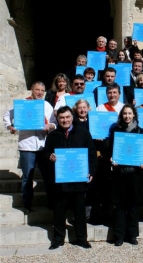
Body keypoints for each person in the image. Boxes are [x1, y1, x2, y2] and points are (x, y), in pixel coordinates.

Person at [43, 106, 97, 250]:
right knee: (59, 211)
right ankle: (58, 239)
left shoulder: (83, 133)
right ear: (58, 119)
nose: (65, 120)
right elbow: (45, 152)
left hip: (78, 179)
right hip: (61, 181)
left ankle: (82, 239)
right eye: (61, 118)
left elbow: (92, 153)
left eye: (67, 117)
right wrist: (49, 156)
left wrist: (91, 172)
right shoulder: (52, 135)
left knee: (79, 211)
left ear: (72, 117)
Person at [3, 81, 56, 212]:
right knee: (27, 177)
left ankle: (51, 203)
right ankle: (27, 205)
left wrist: (49, 126)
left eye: (42, 91)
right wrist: (10, 127)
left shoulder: (47, 105)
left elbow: (54, 122)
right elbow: (7, 115)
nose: (39, 93)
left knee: (48, 176)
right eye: (37, 90)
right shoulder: (23, 104)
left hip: (43, 146)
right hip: (27, 146)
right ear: (32, 89)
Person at [108, 104, 143, 246]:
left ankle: (132, 235)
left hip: (135, 174)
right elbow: (111, 150)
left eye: (130, 113)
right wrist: (112, 159)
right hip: (120, 174)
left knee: (133, 206)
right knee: (120, 206)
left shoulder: (140, 131)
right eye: (125, 114)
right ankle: (119, 236)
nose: (127, 116)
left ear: (134, 115)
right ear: (121, 115)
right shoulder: (116, 131)